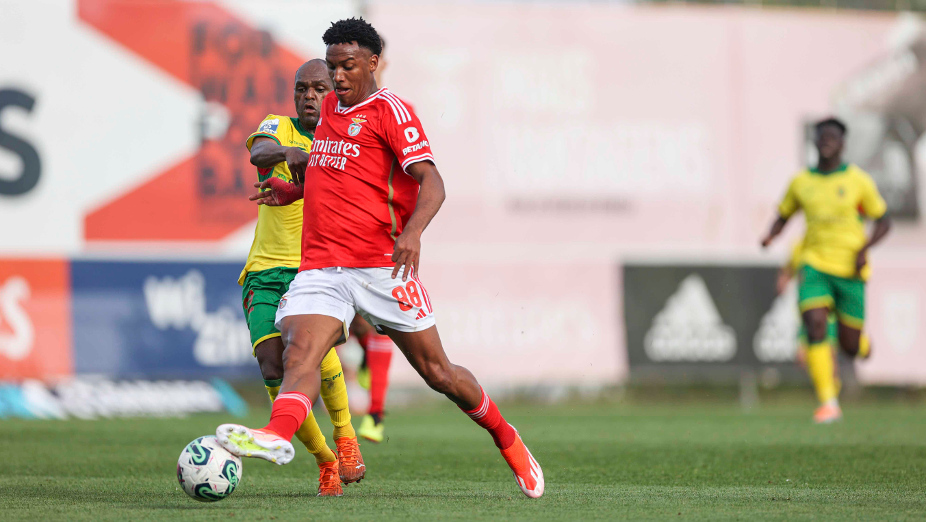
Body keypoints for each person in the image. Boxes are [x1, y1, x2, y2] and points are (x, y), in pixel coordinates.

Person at [216, 17, 544, 499]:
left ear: (372, 63)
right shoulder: (329, 108)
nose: (338, 78)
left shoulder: (392, 111)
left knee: (440, 374)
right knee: (299, 354)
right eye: (333, 67)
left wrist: (412, 233)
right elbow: (332, 169)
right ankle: (276, 436)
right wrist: (293, 192)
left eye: (347, 67)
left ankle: (507, 437)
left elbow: (433, 182)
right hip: (324, 266)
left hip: (380, 267)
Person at [238, 59, 365, 496]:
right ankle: (325, 460)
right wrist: (293, 153)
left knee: (312, 358)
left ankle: (346, 437)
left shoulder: (344, 139)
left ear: (335, 91)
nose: (308, 96)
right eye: (301, 89)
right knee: (272, 364)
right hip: (265, 273)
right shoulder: (278, 127)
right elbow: (258, 153)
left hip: (316, 271)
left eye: (318, 88)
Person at [761, 117, 891, 424]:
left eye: (832, 136)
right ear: (815, 142)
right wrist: (771, 234)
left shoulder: (858, 181)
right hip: (814, 265)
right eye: (821, 136)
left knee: (847, 346)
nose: (826, 140)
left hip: (850, 270)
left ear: (843, 143)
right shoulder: (801, 182)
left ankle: (859, 343)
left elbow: (884, 221)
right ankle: (829, 403)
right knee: (815, 325)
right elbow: (784, 214)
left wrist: (865, 248)